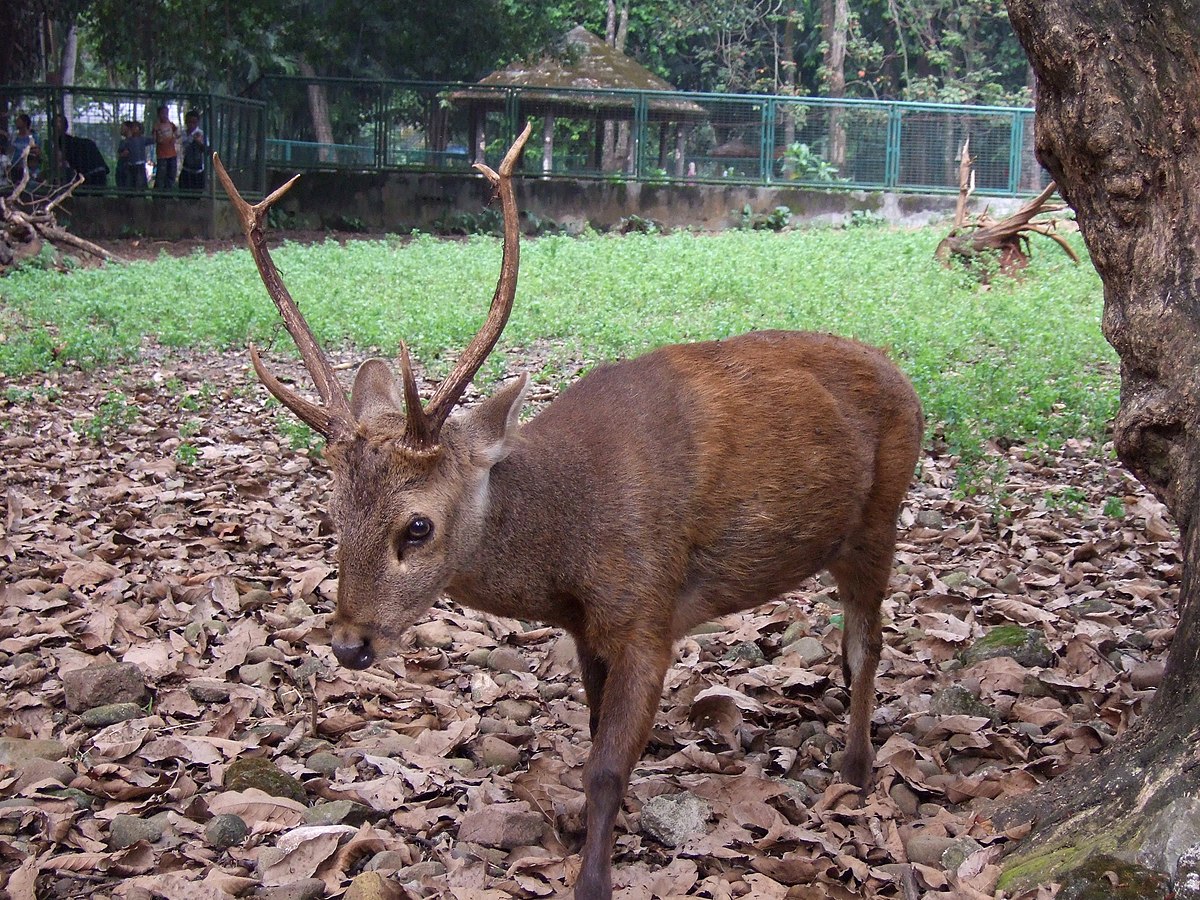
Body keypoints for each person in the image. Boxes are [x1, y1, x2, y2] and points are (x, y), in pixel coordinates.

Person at [55, 115, 109, 187]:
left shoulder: (67, 144)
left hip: (91, 177)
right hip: (97, 175)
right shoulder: (83, 143)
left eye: (60, 122)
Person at [178, 109, 207, 192]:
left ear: (197, 122)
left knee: (197, 192)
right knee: (184, 191)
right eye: (189, 122)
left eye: (194, 122)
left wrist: (199, 142)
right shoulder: (183, 133)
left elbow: (207, 150)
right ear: (186, 122)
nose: (191, 124)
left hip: (198, 169)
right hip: (186, 167)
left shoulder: (201, 134)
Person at [152, 105, 178, 191]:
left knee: (171, 175)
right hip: (162, 155)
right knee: (160, 176)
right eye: (163, 113)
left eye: (166, 113)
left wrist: (174, 138)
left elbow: (177, 134)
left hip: (172, 154)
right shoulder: (156, 126)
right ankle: (158, 195)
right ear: (158, 114)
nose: (165, 115)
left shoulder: (171, 125)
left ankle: (168, 195)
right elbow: (154, 139)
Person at [10, 113, 40, 185]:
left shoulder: (33, 137)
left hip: (28, 167)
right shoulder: (14, 137)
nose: (16, 123)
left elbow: (37, 151)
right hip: (15, 168)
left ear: (25, 123)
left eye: (19, 121)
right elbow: (10, 151)